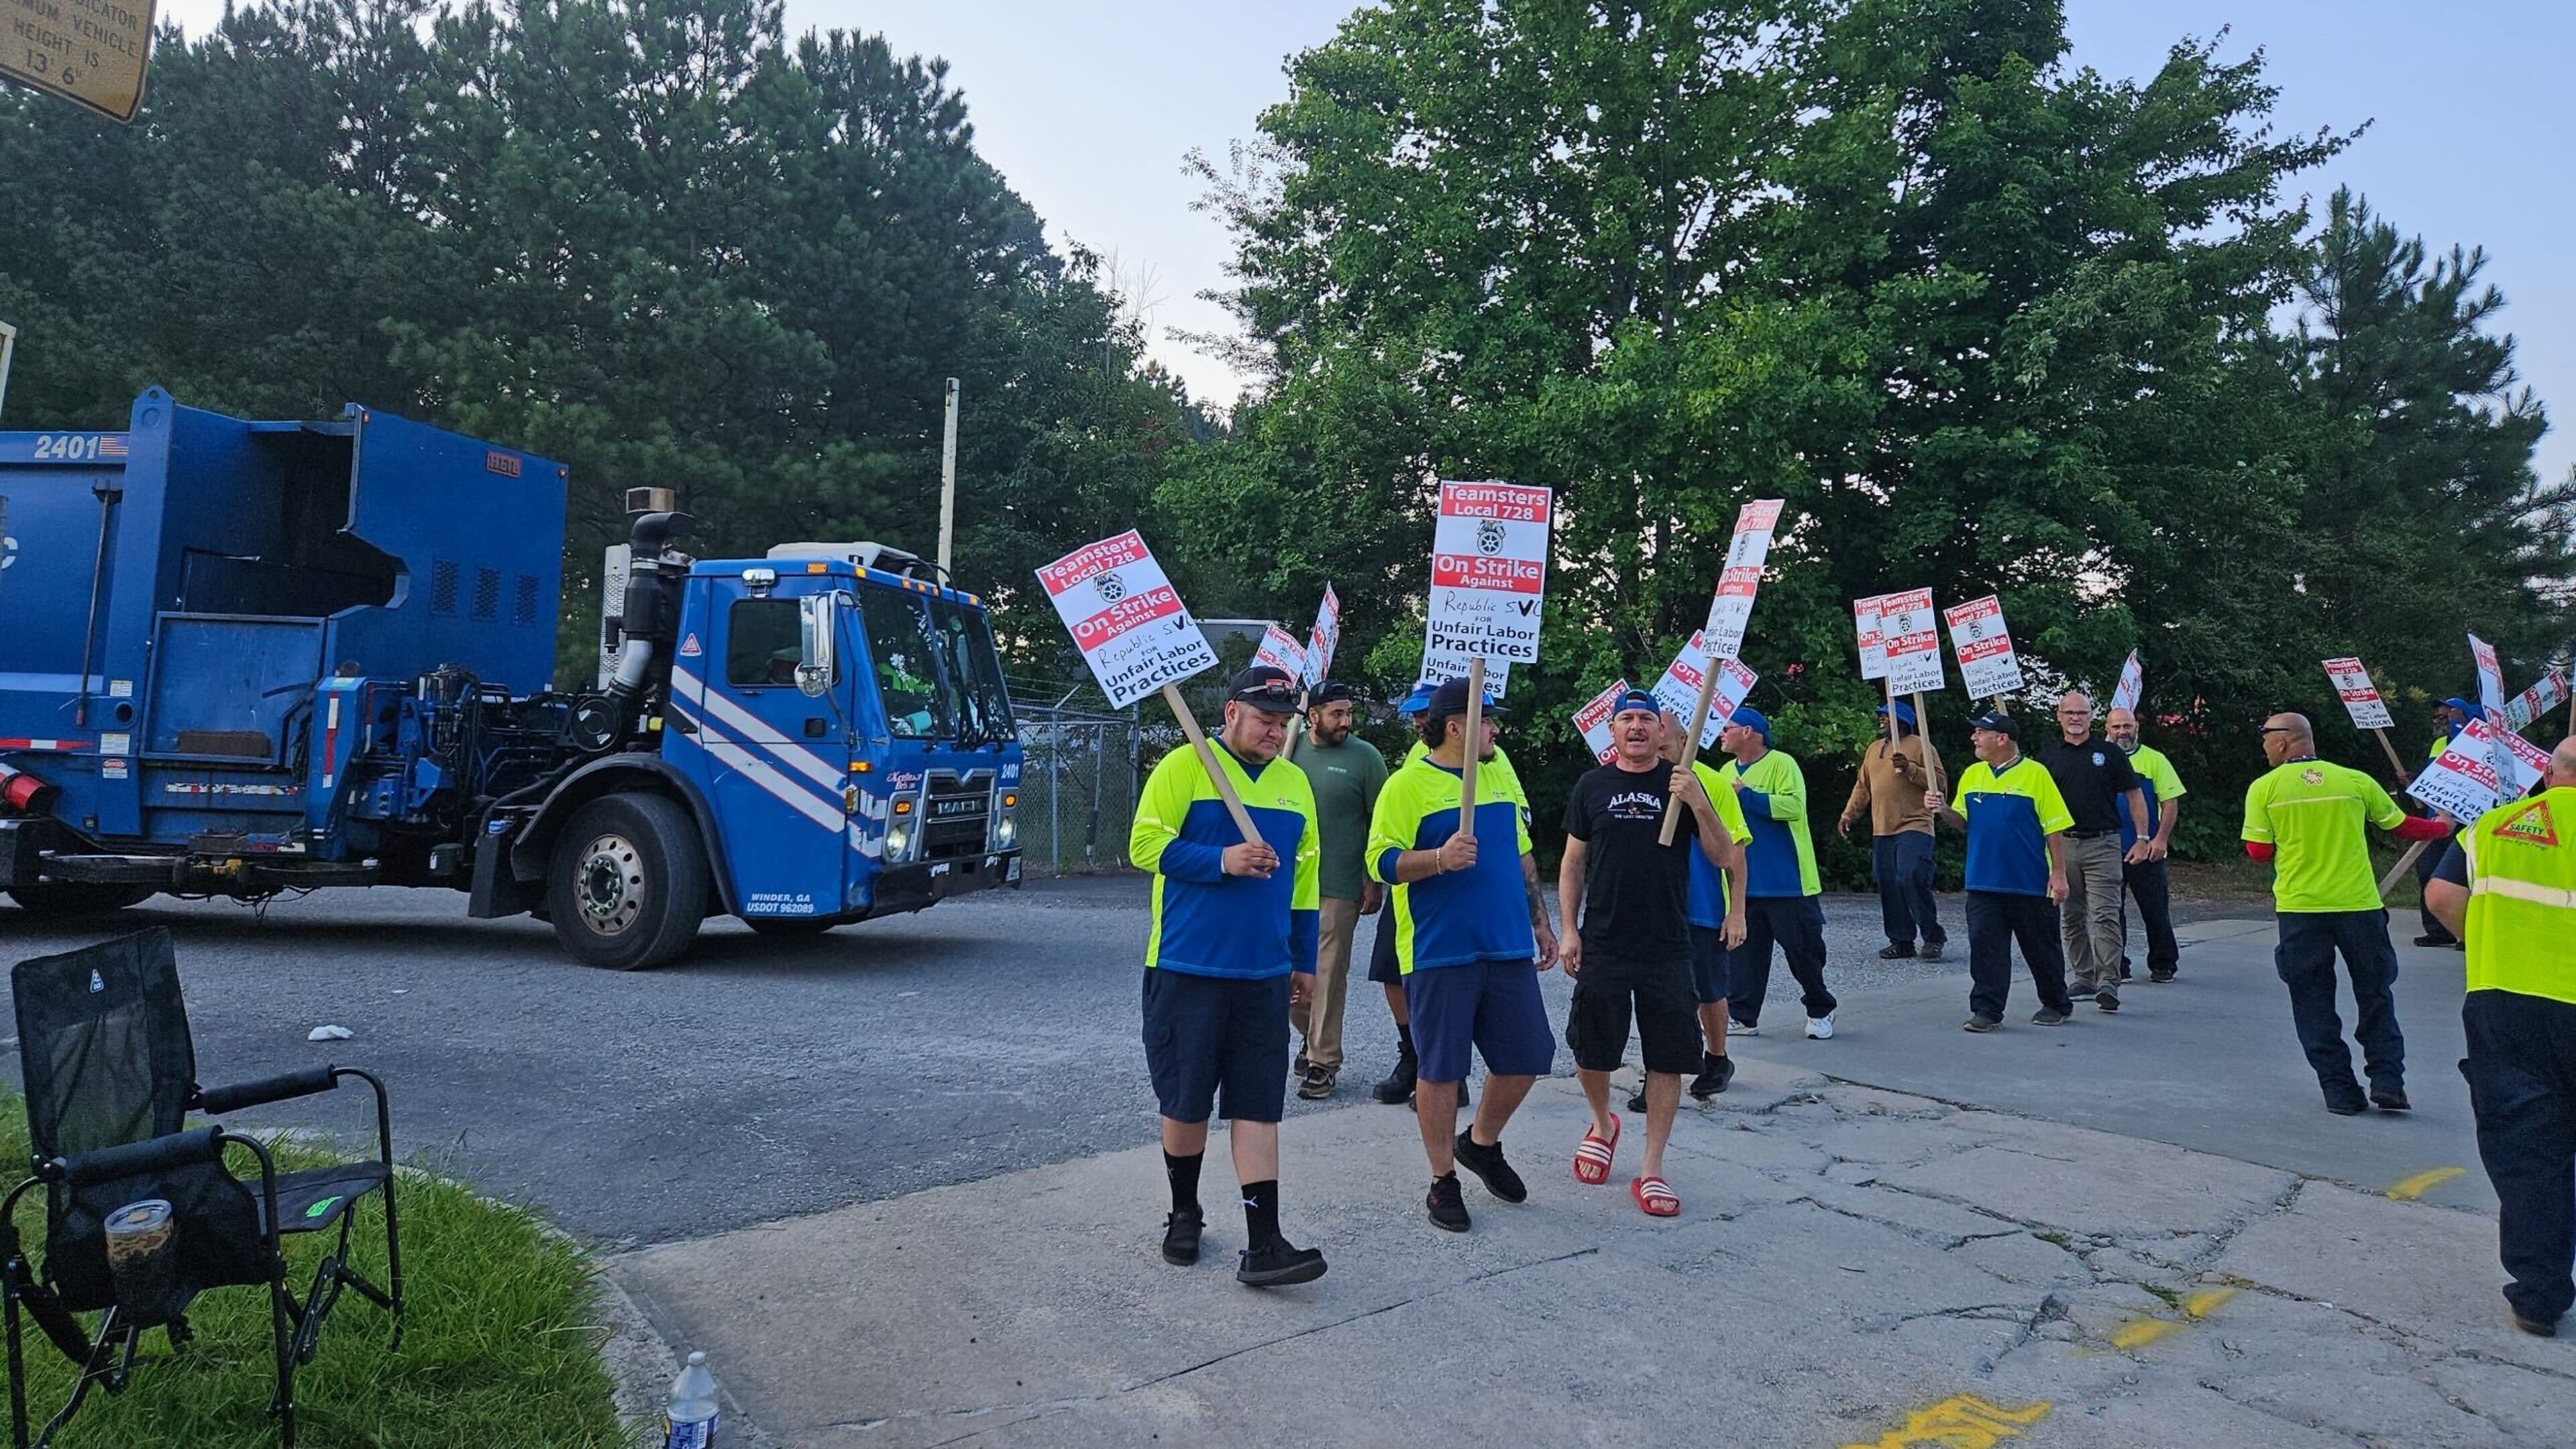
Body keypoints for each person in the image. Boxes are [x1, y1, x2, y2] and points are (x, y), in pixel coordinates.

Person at [1127, 665, 1328, 1287]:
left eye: (1283, 721)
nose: (1275, 731)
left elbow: (1304, 880)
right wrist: (1222, 859)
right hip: (1188, 966)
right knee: (1186, 1102)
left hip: (1264, 973)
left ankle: (1264, 1242)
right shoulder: (1185, 767)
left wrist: (1303, 960)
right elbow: (1141, 846)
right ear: (1231, 714)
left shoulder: (1295, 783)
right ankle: (1184, 1212)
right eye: (1265, 719)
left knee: (1258, 1105)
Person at [1366, 678, 1560, 1232]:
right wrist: (1438, 859)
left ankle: (1481, 1143)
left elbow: (1522, 853)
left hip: (1505, 946)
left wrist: (1542, 923)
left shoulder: (1499, 770)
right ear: (1457, 727)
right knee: (1442, 1070)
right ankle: (1441, 1180)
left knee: (1528, 1056)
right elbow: (1380, 862)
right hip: (1438, 949)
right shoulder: (1407, 786)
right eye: (1490, 721)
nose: (1497, 730)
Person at [1558, 690, 1743, 1218]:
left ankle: (1652, 1168)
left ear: (1663, 734)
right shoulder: (1592, 786)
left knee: (1668, 1057)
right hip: (1606, 941)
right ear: (1611, 732)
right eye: (1626, 719)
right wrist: (1570, 930)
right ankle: (1602, 1123)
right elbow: (1572, 864)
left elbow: (1723, 855)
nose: (1636, 727)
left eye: (1646, 719)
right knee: (1591, 1052)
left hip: (1667, 944)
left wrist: (1700, 803)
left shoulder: (1686, 784)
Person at [2424, 737, 2576, 1338]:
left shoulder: (2490, 827)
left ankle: (2539, 1297)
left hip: (2506, 1005)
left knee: (2529, 1154)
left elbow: (2440, 896)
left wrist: (2487, 943)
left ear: (2548, 774)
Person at [2240, 712, 2453, 1116]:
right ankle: (2389, 1080)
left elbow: (2258, 853)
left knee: (2312, 1000)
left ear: (2285, 742)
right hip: (2360, 907)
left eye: (2266, 736)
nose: (2263, 744)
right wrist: (2442, 827)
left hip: (2302, 910)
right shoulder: (2354, 780)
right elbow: (2402, 827)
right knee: (2375, 993)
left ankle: (2340, 1091)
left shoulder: (2264, 789)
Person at [1366, 682, 1499, 1112]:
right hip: (1410, 892)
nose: (1420, 721)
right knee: (1390, 973)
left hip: (1457, 904)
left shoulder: (1490, 760)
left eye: (1425, 713)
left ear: (1451, 724)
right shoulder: (1412, 764)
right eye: (1417, 714)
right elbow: (1383, 848)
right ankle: (1414, 1055)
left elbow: (1517, 814)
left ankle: (1447, 1073)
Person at [1927, 712, 2076, 1032]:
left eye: (1980, 732)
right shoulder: (1972, 774)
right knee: (1986, 948)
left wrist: (2059, 874)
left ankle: (2055, 1003)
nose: (1974, 738)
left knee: (2041, 948)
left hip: (2029, 881)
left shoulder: (2036, 774)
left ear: (2002, 738)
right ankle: (1987, 1009)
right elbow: (1963, 822)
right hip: (1983, 880)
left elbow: (2055, 828)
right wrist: (1943, 810)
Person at [1288, 680, 1387, 1100]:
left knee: (1327, 974)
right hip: (1287, 886)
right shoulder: (1288, 750)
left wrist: (1374, 878)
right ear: (1313, 716)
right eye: (1337, 714)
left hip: (1339, 884)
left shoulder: (1365, 759)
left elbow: (1384, 822)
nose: (1346, 722)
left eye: (1349, 714)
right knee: (1286, 974)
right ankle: (1310, 1036)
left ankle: (1323, 1061)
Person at [1717, 708, 1837, 1039]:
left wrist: (1747, 796)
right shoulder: (1726, 770)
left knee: (1804, 952)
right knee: (1744, 956)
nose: (1721, 734)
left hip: (1788, 881)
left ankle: (1820, 1009)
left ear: (1749, 732)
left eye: (1728, 728)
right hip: (1745, 882)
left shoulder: (1782, 763)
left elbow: (1794, 807)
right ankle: (1743, 1015)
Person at [2037, 691, 2151, 1013]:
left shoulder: (2110, 753)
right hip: (2063, 844)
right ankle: (2084, 977)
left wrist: (2142, 837)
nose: (2075, 718)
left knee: (2104, 914)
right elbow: (2038, 807)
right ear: (2059, 716)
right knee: (2071, 915)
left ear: (2091, 718)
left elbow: (2134, 795)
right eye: (2069, 712)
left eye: (2082, 713)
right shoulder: (2047, 759)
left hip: (2103, 843)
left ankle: (2108, 982)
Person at [1839, 700, 1948, 961]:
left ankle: (1933, 937)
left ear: (1902, 721)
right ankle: (1901, 941)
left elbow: (1940, 783)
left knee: (1910, 876)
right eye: (1880, 716)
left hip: (1915, 823)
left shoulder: (1921, 745)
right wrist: (1849, 814)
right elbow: (1862, 787)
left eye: (1886, 716)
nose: (1881, 720)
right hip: (1882, 828)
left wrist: (1910, 768)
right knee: (1888, 883)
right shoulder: (1873, 749)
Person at [2105, 706, 2184, 983]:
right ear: (2107, 728)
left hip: (2146, 849)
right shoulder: (2097, 758)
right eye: (2116, 727)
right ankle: (2118, 967)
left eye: (2127, 726)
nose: (2122, 732)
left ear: (2136, 727)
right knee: (2111, 912)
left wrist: (2161, 839)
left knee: (2155, 910)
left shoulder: (2154, 759)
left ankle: (2163, 964)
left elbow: (2170, 801)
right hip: (2106, 849)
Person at [2412, 698, 2478, 948]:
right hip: (2437, 821)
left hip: (2467, 823)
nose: (2439, 722)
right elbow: (2432, 778)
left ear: (2460, 714)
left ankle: (2465, 932)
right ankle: (2438, 931)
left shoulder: (2479, 743)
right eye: (2437, 718)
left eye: (2444, 716)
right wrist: (2411, 780)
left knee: (2464, 878)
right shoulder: (2439, 744)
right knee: (2428, 871)